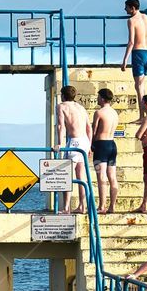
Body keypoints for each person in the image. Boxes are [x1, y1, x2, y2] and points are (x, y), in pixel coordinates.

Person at [121, 0, 147, 120]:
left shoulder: (131, 20)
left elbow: (131, 42)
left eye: (126, 7)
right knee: (140, 85)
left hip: (138, 54)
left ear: (132, 8)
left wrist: (124, 61)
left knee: (139, 87)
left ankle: (141, 116)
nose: (125, 9)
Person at [54, 85, 92, 214]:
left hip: (74, 142)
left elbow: (61, 126)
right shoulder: (81, 107)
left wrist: (59, 143)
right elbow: (89, 127)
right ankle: (82, 206)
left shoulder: (62, 106)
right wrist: (90, 145)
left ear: (63, 95)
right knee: (81, 176)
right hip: (85, 141)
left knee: (67, 175)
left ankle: (66, 208)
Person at [91, 88, 119, 214]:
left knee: (101, 176)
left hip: (101, 145)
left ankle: (102, 206)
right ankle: (112, 206)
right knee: (112, 177)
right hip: (112, 145)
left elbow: (94, 131)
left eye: (98, 97)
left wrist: (90, 145)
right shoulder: (114, 113)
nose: (97, 99)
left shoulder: (99, 112)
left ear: (102, 98)